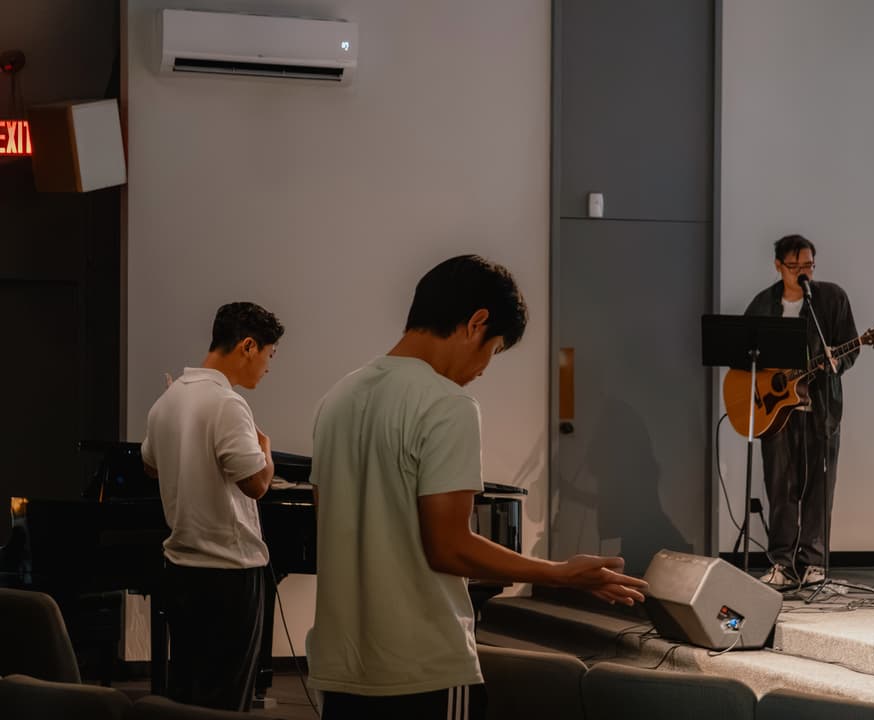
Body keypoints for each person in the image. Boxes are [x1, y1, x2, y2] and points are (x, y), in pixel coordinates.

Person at [306, 254, 647, 720]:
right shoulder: (448, 404)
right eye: (494, 348)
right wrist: (561, 573)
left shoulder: (337, 398)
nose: (485, 367)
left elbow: (325, 520)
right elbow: (448, 547)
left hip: (339, 668)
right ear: (476, 323)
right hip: (422, 666)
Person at [141, 302, 284, 711]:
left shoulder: (167, 400)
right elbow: (256, 484)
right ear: (248, 346)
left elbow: (150, 467)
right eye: (270, 356)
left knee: (188, 694)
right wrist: (267, 451)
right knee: (225, 700)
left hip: (181, 570)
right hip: (228, 575)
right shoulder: (227, 403)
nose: (268, 368)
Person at [745, 235, 858, 589]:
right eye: (795, 267)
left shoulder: (831, 299)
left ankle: (813, 564)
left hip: (820, 409)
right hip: (776, 412)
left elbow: (852, 346)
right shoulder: (763, 304)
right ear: (778, 266)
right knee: (780, 486)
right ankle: (782, 562)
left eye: (808, 265)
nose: (803, 273)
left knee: (819, 486)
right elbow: (743, 356)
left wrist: (836, 362)